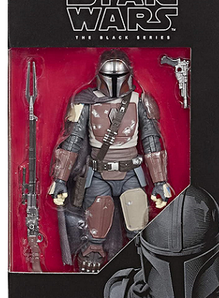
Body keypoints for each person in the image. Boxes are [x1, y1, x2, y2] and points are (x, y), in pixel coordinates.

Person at [49, 50, 172, 271]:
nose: (114, 81)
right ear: (99, 75)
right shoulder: (86, 103)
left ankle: (140, 261)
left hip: (131, 173)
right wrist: (60, 179)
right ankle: (94, 252)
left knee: (138, 223)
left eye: (119, 75)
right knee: (97, 220)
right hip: (98, 174)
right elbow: (73, 141)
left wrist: (160, 182)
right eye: (109, 75)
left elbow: (151, 140)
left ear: (129, 74)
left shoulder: (140, 102)